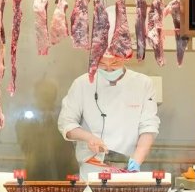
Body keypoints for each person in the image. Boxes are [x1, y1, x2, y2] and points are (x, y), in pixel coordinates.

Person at [57, 9, 160, 179]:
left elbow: (149, 126)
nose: (110, 68)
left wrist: (136, 160)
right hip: (91, 171)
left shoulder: (143, 84)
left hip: (127, 170)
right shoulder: (82, 84)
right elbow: (66, 123)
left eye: (115, 63)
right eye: (103, 64)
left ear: (126, 57)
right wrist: (88, 137)